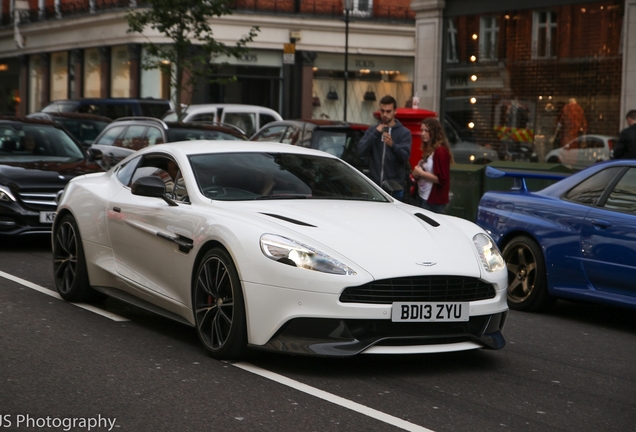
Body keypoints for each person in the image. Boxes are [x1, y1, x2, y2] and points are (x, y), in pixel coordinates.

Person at [357, 95, 412, 200]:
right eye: (382, 111)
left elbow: (404, 156)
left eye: (388, 111)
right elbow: (361, 150)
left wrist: (392, 145)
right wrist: (375, 133)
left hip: (394, 188)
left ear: (395, 111)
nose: (385, 114)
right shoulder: (373, 130)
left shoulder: (404, 133)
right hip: (375, 187)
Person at [412, 117, 452, 213]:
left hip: (433, 201)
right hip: (423, 196)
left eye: (427, 130)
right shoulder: (429, 149)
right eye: (422, 130)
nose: (423, 134)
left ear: (434, 132)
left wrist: (421, 173)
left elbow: (442, 179)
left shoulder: (440, 151)